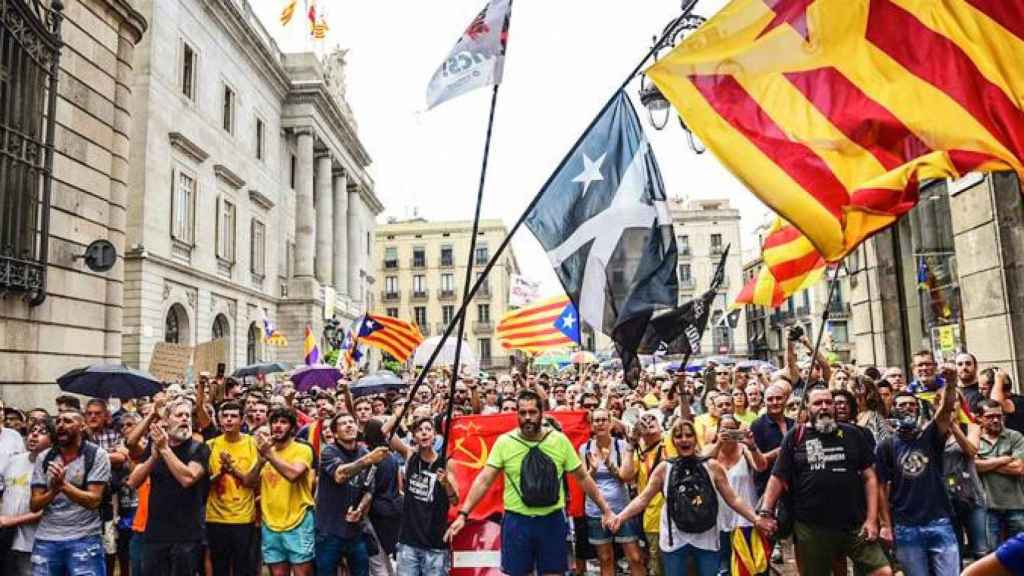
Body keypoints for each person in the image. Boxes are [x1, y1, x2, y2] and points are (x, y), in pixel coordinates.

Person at [445, 389, 616, 576]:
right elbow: (484, 480)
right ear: (517, 414)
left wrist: (606, 510)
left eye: (532, 412)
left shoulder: (559, 441)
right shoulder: (504, 442)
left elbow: (583, 477)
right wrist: (463, 514)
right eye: (523, 413)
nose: (528, 417)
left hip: (551, 521)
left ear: (541, 413)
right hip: (517, 522)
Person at [609, 419, 774, 576]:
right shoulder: (664, 469)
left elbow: (733, 499)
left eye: (689, 435)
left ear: (696, 438)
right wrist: (620, 517)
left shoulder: (712, 466)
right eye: (679, 436)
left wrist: (756, 519)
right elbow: (643, 499)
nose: (684, 439)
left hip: (707, 537)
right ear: (673, 441)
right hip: (674, 538)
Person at [761, 386, 892, 576]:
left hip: (853, 524)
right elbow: (778, 477)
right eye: (817, 403)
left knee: (882, 572)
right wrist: (766, 510)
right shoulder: (795, 436)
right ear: (807, 407)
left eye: (828, 402)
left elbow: (870, 477)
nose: (824, 407)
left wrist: (872, 520)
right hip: (811, 527)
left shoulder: (853, 434)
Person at [876, 385, 960, 574]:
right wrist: (886, 525)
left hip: (939, 521)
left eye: (912, 405)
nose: (908, 408)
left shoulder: (930, 436)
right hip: (906, 525)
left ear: (919, 409)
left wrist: (951, 381)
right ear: (893, 410)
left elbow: (946, 408)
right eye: (902, 405)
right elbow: (880, 487)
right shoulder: (886, 446)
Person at [129, 397, 210, 576]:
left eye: (188, 415)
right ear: (166, 421)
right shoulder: (155, 445)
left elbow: (188, 478)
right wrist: (153, 458)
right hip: (156, 533)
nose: (185, 419)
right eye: (179, 415)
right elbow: (133, 481)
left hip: (187, 535)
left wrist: (165, 449)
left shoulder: (200, 449)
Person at [29, 409, 111, 576]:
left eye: (67, 421)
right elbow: (34, 505)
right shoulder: (44, 457)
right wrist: (53, 491)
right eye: (58, 421)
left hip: (85, 538)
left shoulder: (96, 455)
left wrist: (63, 485)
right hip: (47, 538)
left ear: (82, 426)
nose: (60, 425)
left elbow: (94, 501)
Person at [314, 413, 388, 576]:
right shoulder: (329, 452)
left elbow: (369, 490)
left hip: (356, 531)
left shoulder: (364, 451)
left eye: (351, 422)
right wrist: (368, 459)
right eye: (343, 424)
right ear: (334, 433)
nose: (349, 425)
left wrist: (360, 510)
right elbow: (340, 475)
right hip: (329, 530)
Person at [243, 408, 315, 576]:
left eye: (283, 422)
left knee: (302, 572)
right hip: (270, 523)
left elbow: (293, 475)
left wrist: (269, 454)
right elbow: (248, 482)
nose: (278, 426)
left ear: (291, 427)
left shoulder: (302, 449)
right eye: (274, 422)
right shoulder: (265, 451)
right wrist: (260, 461)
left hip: (298, 521)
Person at [385, 416, 458, 576]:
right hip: (409, 542)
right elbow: (385, 432)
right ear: (414, 436)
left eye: (428, 429)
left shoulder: (446, 463)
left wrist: (446, 483)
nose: (424, 433)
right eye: (419, 430)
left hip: (435, 544)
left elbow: (455, 500)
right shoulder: (411, 457)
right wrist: (401, 410)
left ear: (435, 435)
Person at [580, 408, 643, 576]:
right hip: (595, 510)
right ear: (592, 425)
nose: (600, 424)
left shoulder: (621, 445)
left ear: (610, 423)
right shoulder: (584, 448)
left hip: (622, 509)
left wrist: (610, 465)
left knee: (635, 556)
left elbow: (627, 478)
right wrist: (592, 470)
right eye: (597, 421)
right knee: (605, 558)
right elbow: (583, 482)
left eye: (603, 420)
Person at [707, 414, 767, 575]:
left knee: (749, 567)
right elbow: (702, 466)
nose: (728, 433)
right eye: (724, 429)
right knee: (723, 567)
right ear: (717, 431)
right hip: (719, 519)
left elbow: (761, 466)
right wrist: (719, 443)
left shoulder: (744, 449)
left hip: (745, 518)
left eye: (732, 429)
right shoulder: (710, 450)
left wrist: (753, 446)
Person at [205, 401, 259, 576]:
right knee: (219, 566)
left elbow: (252, 482)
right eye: (225, 416)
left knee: (244, 568)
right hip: (215, 518)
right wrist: (221, 472)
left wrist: (232, 469)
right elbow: (203, 484)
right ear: (219, 419)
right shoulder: (210, 446)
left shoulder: (252, 443)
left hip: (244, 519)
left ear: (242, 420)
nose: (229, 420)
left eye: (233, 416)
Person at [1, 418, 51, 575]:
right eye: (32, 431)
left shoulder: (53, 467)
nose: (34, 435)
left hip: (36, 539)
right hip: (7, 538)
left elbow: (51, 509)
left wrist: (12, 520)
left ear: (53, 439)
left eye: (42, 432)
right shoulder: (14, 461)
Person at [976, 400, 1024, 552]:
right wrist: (1004, 459)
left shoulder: (1015, 437)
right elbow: (973, 466)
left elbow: (1018, 468)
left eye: (999, 416)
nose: (996, 420)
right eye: (990, 416)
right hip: (988, 508)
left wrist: (985, 463)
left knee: (1020, 554)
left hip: (1016, 505)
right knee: (993, 555)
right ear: (980, 418)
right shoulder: (974, 440)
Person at [633, 409, 668, 576]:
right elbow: (626, 475)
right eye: (644, 420)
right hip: (652, 516)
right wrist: (632, 440)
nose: (648, 422)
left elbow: (685, 418)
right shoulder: (638, 450)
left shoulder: (671, 442)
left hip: (677, 515)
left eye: (652, 419)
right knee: (657, 561)